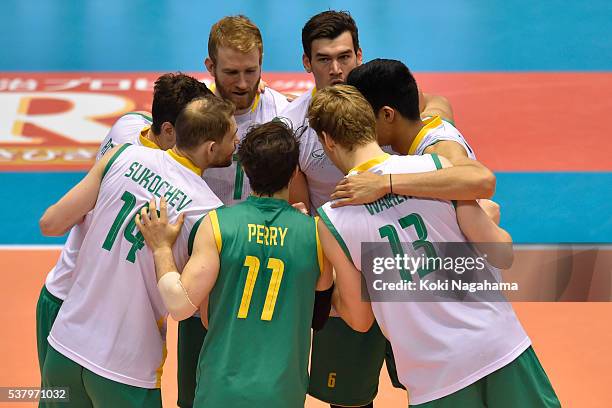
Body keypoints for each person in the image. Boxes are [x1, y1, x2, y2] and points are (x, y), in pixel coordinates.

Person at [283, 11, 498, 408]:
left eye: (345, 57)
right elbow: (298, 203)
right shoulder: (295, 126)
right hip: (348, 265)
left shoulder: (382, 101)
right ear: (306, 63)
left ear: (359, 55)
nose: (336, 69)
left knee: (441, 385)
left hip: (409, 263)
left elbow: (435, 107)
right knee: (348, 399)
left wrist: (397, 173)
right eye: (324, 59)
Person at [308, 84, 560, 407]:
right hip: (499, 345)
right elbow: (500, 251)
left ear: (328, 140)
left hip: (435, 376)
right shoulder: (435, 167)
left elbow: (360, 320)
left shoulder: (332, 219)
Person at [38, 96, 237, 407]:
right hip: (124, 367)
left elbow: (51, 222)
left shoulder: (123, 156)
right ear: (211, 149)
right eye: (232, 138)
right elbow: (192, 308)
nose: (236, 143)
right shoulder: (207, 212)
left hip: (64, 346)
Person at [135, 120, 334, 408]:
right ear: (294, 172)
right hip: (283, 393)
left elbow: (182, 306)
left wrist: (162, 249)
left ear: (245, 169)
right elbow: (319, 316)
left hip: (221, 389)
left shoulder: (218, 225)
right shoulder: (316, 234)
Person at [175, 15, 291, 408]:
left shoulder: (283, 116)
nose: (242, 83)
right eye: (231, 72)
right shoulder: (189, 116)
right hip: (202, 272)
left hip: (260, 278)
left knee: (262, 390)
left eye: (251, 71)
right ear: (210, 68)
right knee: (194, 393)